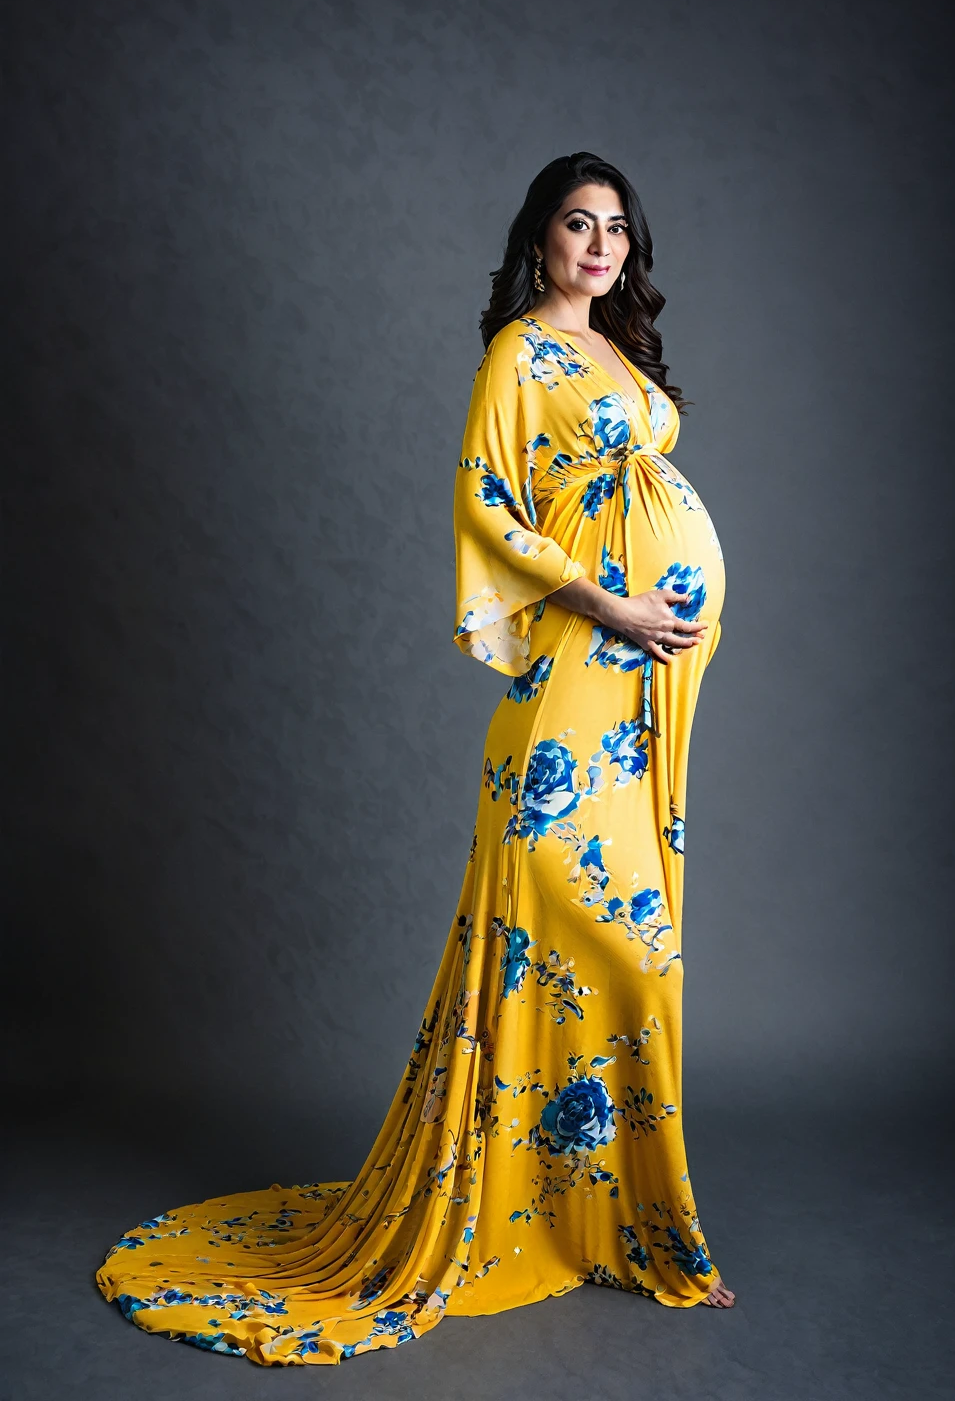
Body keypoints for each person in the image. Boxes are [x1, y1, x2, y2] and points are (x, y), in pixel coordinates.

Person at [95, 150, 735, 1366]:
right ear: (537, 240)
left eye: (615, 229)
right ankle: (503, 1212)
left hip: (653, 681)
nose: (597, 246)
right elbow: (487, 503)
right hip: (582, 666)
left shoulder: (619, 355)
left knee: (639, 946)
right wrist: (608, 603)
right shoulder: (518, 352)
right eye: (574, 224)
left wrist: (668, 615)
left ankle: (625, 1226)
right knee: (577, 923)